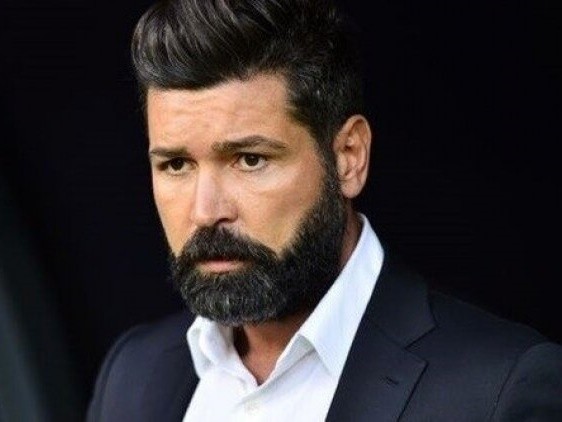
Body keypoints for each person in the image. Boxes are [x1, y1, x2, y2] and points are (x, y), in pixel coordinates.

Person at [86, 0, 562, 420]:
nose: (206, 211)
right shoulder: (133, 374)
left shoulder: (501, 391)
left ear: (349, 157)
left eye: (250, 160)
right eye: (176, 165)